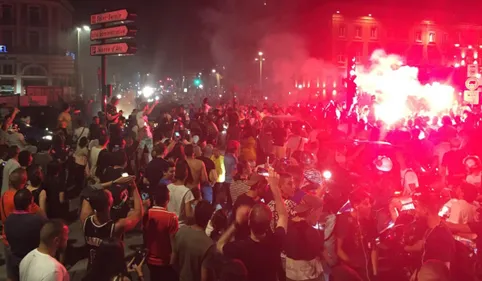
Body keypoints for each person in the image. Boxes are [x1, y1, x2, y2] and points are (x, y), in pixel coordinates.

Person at [216, 171, 288, 281]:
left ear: (249, 222)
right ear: (269, 223)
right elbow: (283, 215)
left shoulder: (240, 248)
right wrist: (275, 187)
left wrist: (236, 223)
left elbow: (219, 245)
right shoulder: (276, 241)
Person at [80, 176, 142, 268]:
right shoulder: (116, 227)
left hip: (92, 269)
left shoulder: (85, 219)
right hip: (110, 271)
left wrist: (113, 182)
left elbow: (88, 190)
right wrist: (134, 187)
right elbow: (138, 213)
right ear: (110, 203)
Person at [332, 189, 378, 281]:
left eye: (369, 203)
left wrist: (374, 271)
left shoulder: (370, 221)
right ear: (356, 206)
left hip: (366, 269)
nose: (370, 206)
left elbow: (374, 247)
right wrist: (354, 267)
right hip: (350, 269)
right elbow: (339, 250)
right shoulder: (344, 220)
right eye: (366, 204)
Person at [405, 191, 455, 269]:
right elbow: (423, 245)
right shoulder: (432, 229)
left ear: (425, 210)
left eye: (417, 207)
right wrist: (404, 248)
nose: (415, 211)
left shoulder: (440, 238)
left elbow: (443, 271)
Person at [5, 189, 47, 281]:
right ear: (31, 202)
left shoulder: (8, 220)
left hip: (15, 261)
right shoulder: (36, 221)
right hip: (33, 262)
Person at [143, 185, 179, 281]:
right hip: (165, 261)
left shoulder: (148, 214)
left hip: (150, 260)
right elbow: (173, 245)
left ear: (154, 199)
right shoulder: (171, 217)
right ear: (168, 199)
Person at [173, 200, 215, 281]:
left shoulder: (181, 232)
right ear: (209, 218)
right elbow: (204, 277)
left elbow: (173, 262)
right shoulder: (208, 244)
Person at [285, 204, 324, 281]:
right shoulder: (313, 232)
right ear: (309, 213)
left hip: (291, 273)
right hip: (309, 275)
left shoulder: (287, 230)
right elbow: (318, 251)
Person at [231, 173, 269, 240]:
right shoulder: (256, 207)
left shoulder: (240, 198)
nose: (267, 189)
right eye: (265, 186)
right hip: (246, 242)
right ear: (259, 185)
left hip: (238, 239)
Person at [167, 161, 195, 226]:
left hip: (169, 224)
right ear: (186, 174)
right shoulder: (187, 192)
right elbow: (189, 214)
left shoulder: (168, 187)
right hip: (180, 226)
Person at [223, 140, 240, 208]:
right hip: (231, 181)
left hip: (226, 179)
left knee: (228, 200)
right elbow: (234, 172)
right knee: (232, 201)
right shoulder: (233, 159)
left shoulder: (225, 156)